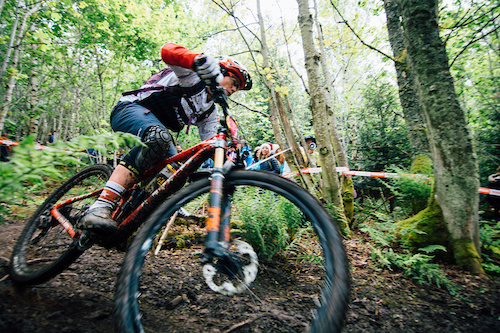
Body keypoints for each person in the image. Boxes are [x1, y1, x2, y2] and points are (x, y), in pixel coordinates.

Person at [80, 42, 252, 232]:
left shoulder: (209, 112)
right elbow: (167, 50)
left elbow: (211, 146)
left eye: (239, 88)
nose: (235, 90)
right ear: (220, 70)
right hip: (128, 110)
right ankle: (101, 206)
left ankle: (135, 218)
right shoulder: (193, 77)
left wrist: (230, 163)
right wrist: (197, 60)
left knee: (176, 171)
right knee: (159, 138)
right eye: (234, 82)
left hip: (154, 130)